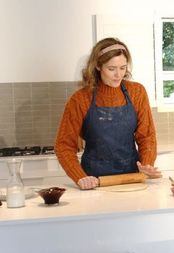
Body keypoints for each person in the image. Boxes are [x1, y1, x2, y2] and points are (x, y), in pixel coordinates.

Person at [55, 37, 160, 190]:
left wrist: (146, 164)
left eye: (123, 68)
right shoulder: (80, 99)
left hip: (131, 178)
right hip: (94, 181)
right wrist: (80, 177)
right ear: (98, 66)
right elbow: (63, 145)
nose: (118, 75)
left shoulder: (137, 92)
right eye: (111, 69)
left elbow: (147, 136)